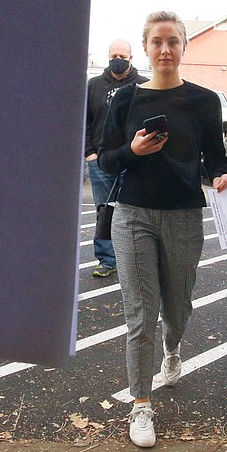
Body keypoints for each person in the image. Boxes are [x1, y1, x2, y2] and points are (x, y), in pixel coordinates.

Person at [97, 11, 227, 447]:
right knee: (140, 313)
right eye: (157, 42)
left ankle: (173, 351)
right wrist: (133, 150)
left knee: (178, 308)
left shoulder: (205, 100)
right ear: (146, 48)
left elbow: (215, 157)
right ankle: (141, 405)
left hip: (184, 217)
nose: (165, 49)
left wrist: (220, 176)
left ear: (184, 46)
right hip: (133, 215)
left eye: (173, 41)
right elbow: (105, 159)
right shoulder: (125, 99)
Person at [85, 40, 148, 278]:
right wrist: (89, 153)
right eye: (114, 55)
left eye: (122, 55)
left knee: (133, 211)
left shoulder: (143, 86)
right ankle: (107, 260)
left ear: (131, 58)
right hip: (100, 160)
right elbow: (85, 122)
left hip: (134, 160)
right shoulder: (94, 85)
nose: (117, 59)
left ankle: (130, 261)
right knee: (104, 211)